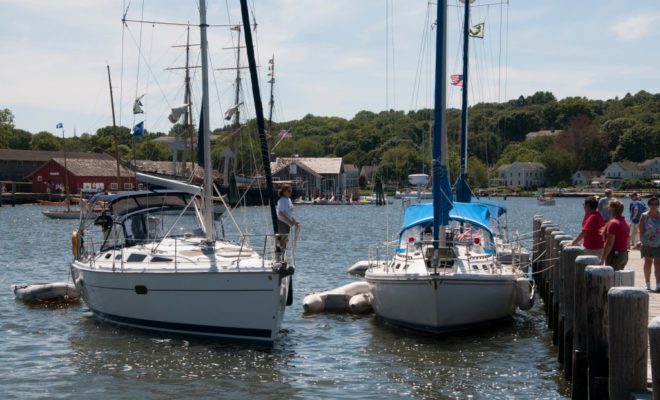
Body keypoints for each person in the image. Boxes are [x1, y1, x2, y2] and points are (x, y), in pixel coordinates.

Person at [600, 199, 629, 270]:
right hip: (624, 254)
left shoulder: (613, 223)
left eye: (609, 207)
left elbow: (609, 243)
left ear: (612, 209)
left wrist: (602, 259)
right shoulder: (625, 222)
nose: (607, 209)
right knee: (618, 279)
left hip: (615, 255)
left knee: (611, 278)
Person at [639, 196, 660, 291]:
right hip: (647, 243)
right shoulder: (644, 215)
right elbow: (641, 230)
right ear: (648, 205)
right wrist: (642, 242)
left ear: (658, 205)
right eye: (651, 204)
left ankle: (658, 284)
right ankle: (647, 284)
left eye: (655, 204)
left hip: (658, 243)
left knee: (658, 263)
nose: (653, 206)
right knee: (647, 262)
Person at [276, 185, 299, 259]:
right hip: (282, 222)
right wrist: (289, 222)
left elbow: (289, 214)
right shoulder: (282, 200)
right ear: (284, 191)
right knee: (281, 240)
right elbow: (280, 214)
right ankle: (279, 257)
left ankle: (282, 257)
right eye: (288, 191)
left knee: (285, 241)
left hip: (287, 223)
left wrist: (295, 222)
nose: (290, 192)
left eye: (291, 191)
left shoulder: (288, 200)